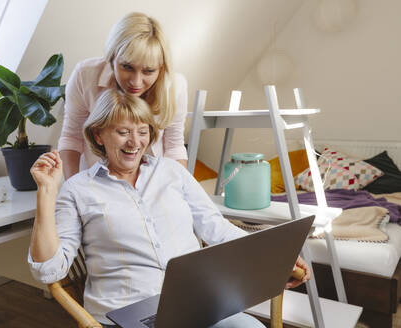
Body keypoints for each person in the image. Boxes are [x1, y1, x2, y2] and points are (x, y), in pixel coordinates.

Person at [28, 89, 311, 327]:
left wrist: (275, 257)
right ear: (98, 135)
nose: (134, 142)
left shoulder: (171, 172)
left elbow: (217, 228)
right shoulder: (78, 189)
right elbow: (49, 272)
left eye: (142, 131)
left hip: (197, 302)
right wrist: (46, 192)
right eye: (123, 132)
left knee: (249, 326)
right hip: (130, 314)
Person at [58, 12, 188, 179]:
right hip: (97, 180)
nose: (136, 82)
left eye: (148, 71)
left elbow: (174, 146)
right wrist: (74, 188)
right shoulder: (85, 75)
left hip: (154, 181)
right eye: (127, 67)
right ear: (112, 58)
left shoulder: (175, 86)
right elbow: (71, 137)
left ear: (161, 68)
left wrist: (179, 191)